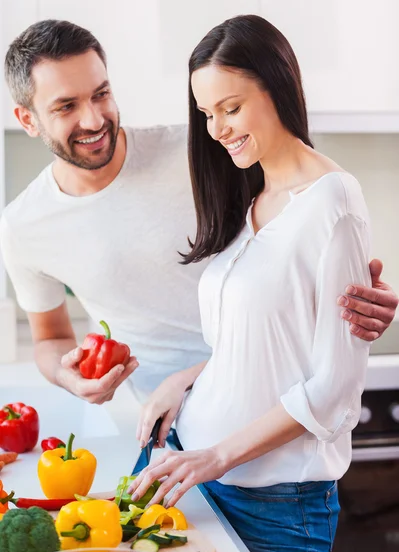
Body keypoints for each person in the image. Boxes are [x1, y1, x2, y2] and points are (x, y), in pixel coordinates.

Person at [0, 20, 397, 408]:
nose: (93, 119)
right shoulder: (23, 225)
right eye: (66, 106)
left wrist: (351, 292)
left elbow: (306, 215)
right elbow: (50, 337)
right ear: (28, 120)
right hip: (162, 416)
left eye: (101, 93)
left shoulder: (203, 151)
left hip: (269, 395)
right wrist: (66, 375)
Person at [129, 15, 396, 552]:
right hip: (193, 475)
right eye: (207, 115)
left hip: (273, 506)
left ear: (277, 86)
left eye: (231, 107)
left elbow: (335, 392)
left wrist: (217, 456)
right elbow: (258, 340)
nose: (219, 128)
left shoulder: (333, 200)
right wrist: (187, 379)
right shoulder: (251, 195)